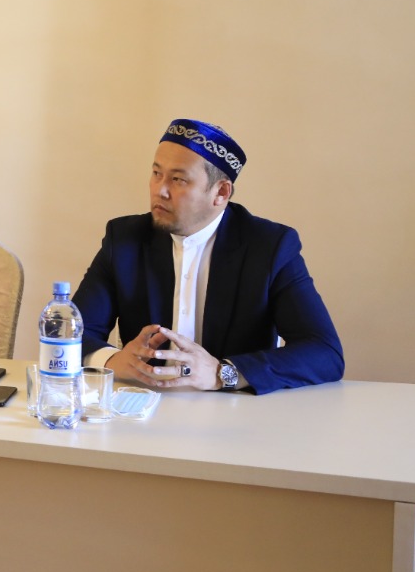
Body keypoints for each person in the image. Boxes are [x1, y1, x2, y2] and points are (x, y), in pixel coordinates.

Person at [74, 119, 343, 394]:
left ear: (221, 192)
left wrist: (222, 373)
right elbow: (69, 333)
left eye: (178, 179)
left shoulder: (270, 247)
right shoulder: (124, 239)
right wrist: (112, 360)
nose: (159, 190)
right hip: (144, 406)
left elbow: (324, 353)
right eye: (156, 173)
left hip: (237, 412)